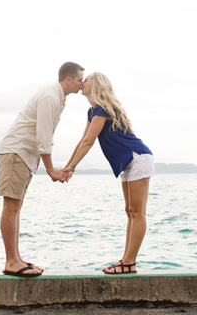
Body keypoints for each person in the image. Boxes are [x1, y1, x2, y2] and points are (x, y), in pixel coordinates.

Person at [0, 61, 85, 277]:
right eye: (79, 80)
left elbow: (44, 136)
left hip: (24, 155)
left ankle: (16, 258)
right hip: (16, 151)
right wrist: (51, 169)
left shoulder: (57, 98)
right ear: (68, 79)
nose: (82, 84)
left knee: (16, 206)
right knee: (11, 206)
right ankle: (11, 261)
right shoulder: (50, 97)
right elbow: (43, 135)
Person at [62, 72, 154, 274]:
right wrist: (67, 166)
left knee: (137, 212)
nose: (82, 82)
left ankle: (129, 263)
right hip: (128, 162)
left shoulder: (102, 109)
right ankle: (126, 260)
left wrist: (72, 168)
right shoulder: (92, 111)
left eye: (86, 80)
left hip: (137, 157)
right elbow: (83, 140)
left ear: (96, 85)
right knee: (130, 211)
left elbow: (89, 141)